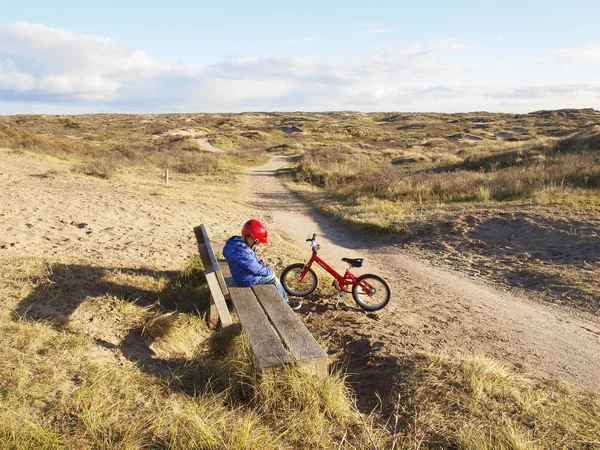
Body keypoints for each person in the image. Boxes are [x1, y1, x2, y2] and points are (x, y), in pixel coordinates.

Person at [223, 219, 301, 310]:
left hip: (241, 274)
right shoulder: (243, 251)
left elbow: (253, 260)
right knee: (272, 277)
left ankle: (280, 296)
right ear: (249, 238)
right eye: (257, 242)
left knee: (267, 273)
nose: (258, 244)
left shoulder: (238, 244)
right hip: (246, 279)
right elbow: (255, 269)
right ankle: (285, 301)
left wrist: (261, 264)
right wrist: (268, 270)